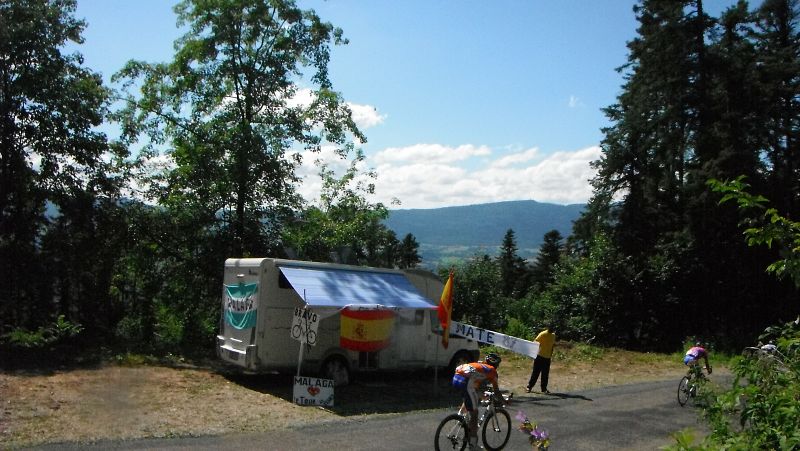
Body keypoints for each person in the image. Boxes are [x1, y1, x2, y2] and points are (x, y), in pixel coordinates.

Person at [452, 352, 502, 450]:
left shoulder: (480, 364)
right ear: (496, 365)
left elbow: (476, 386)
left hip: (456, 377)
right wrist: (505, 401)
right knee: (474, 415)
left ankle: (460, 417)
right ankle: (473, 445)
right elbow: (497, 392)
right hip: (466, 382)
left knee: (470, 396)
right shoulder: (492, 371)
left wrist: (482, 395)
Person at [526, 327, 555, 394]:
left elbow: (552, 346)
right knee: (535, 373)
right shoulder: (542, 334)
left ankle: (544, 389)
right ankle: (529, 387)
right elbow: (535, 342)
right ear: (548, 328)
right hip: (539, 356)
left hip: (547, 358)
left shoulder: (553, 336)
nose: (552, 330)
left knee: (545, 374)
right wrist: (533, 353)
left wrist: (551, 354)